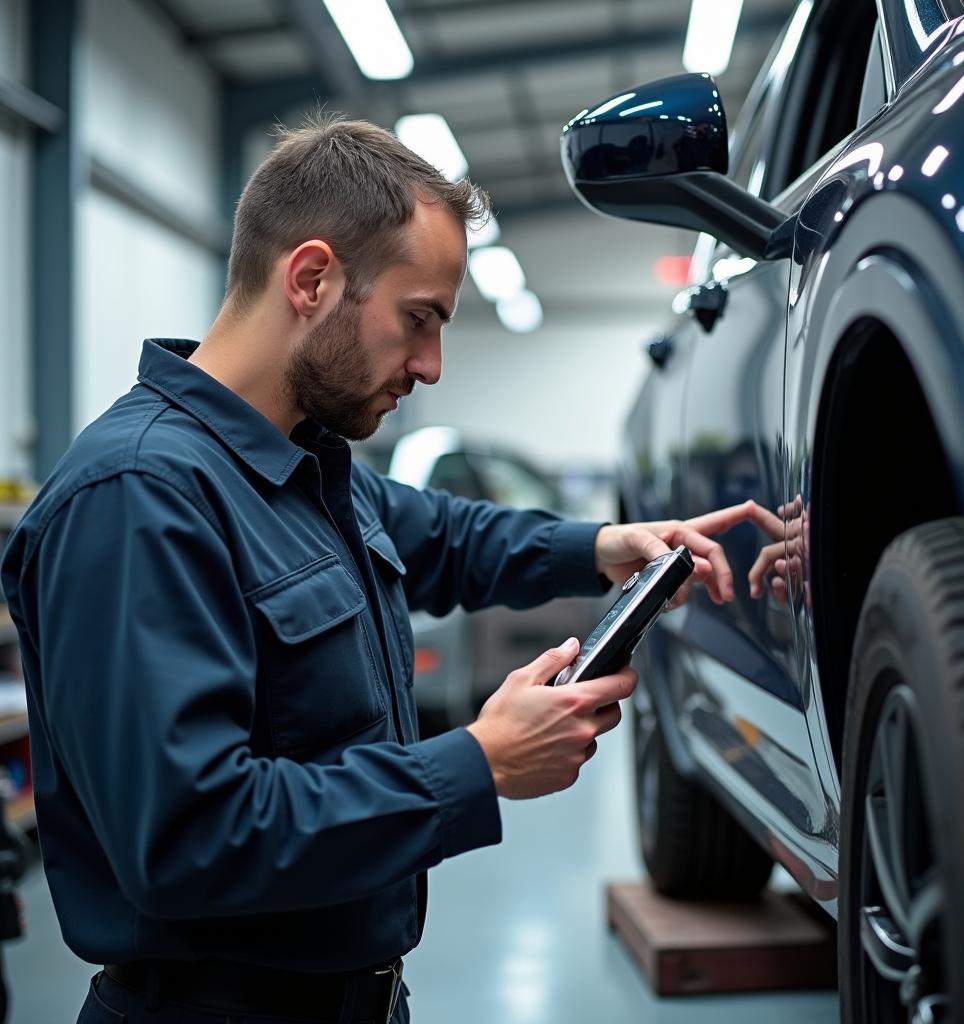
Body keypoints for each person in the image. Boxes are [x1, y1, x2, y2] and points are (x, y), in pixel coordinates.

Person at [0, 114, 764, 1024]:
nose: (432, 366)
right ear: (313, 279)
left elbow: (445, 535)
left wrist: (608, 545)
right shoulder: (137, 498)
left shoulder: (306, 465)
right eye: (419, 320)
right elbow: (190, 839)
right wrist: (478, 762)